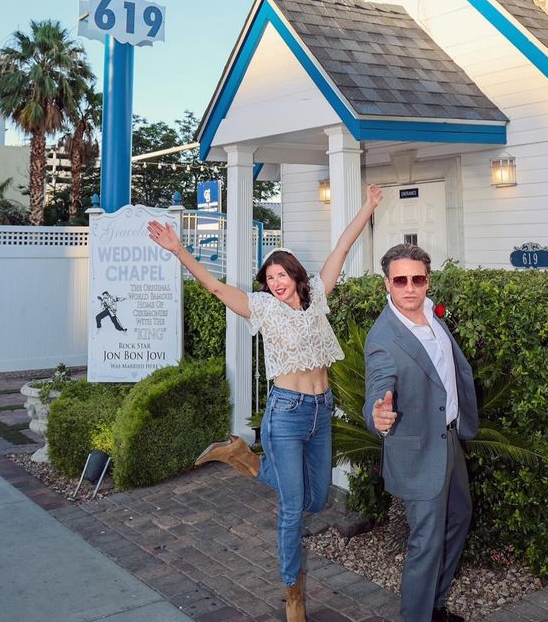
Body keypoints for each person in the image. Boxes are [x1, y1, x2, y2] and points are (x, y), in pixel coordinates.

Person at [147, 184, 383, 622]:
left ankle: (245, 458)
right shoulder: (261, 308)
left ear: (295, 276)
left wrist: (368, 205)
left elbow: (342, 246)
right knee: (293, 509)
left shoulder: (318, 299)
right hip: (286, 415)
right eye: (269, 278)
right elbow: (216, 289)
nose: (275, 283)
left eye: (281, 276)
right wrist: (180, 250)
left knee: (316, 502)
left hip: (321, 412)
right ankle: (294, 594)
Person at [363, 243, 478, 622]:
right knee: (426, 543)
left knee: (459, 518)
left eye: (418, 279)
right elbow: (380, 384)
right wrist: (378, 414)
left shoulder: (431, 313)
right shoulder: (383, 338)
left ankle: (435, 606)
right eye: (400, 280)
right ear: (387, 284)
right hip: (419, 452)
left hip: (449, 440)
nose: (410, 287)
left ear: (428, 281)